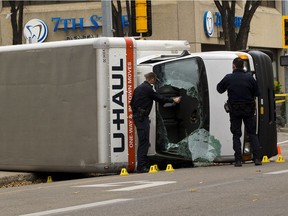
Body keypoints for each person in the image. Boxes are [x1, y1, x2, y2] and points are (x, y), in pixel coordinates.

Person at [130, 72, 181, 173]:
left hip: (138, 117)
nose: (155, 82)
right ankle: (142, 167)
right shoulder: (148, 88)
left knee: (143, 141)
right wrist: (173, 100)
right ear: (152, 79)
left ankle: (142, 165)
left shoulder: (138, 88)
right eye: (155, 80)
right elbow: (159, 98)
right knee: (144, 142)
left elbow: (131, 103)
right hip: (142, 118)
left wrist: (138, 113)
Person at [216, 57, 262, 167]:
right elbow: (257, 92)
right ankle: (257, 159)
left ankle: (238, 160)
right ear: (243, 66)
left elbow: (219, 89)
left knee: (236, 134)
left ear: (234, 66)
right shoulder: (250, 78)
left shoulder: (229, 78)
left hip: (234, 110)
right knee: (252, 133)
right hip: (248, 110)